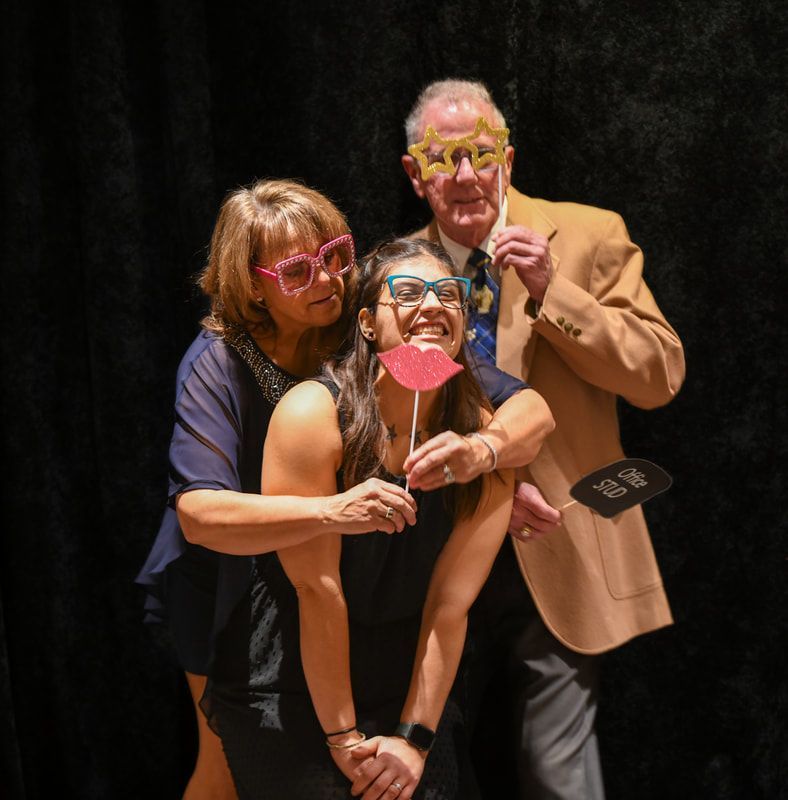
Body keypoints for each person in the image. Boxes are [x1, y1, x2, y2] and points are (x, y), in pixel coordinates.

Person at [136, 180, 554, 798]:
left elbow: (519, 405)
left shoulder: (361, 322)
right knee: (220, 769)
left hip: (360, 580)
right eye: (298, 271)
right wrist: (332, 509)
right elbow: (200, 516)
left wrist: (488, 457)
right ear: (253, 285)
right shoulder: (218, 365)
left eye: (335, 255)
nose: (328, 279)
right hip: (229, 570)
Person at [401, 79, 686, 799]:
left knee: (558, 774)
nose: (464, 174)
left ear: (508, 159)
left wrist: (554, 290)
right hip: (439, 547)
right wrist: (489, 483)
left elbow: (659, 377)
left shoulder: (589, 234)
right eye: (442, 158)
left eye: (480, 154)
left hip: (562, 538)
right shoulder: (397, 270)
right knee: (426, 762)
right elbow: (390, 411)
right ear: (415, 175)